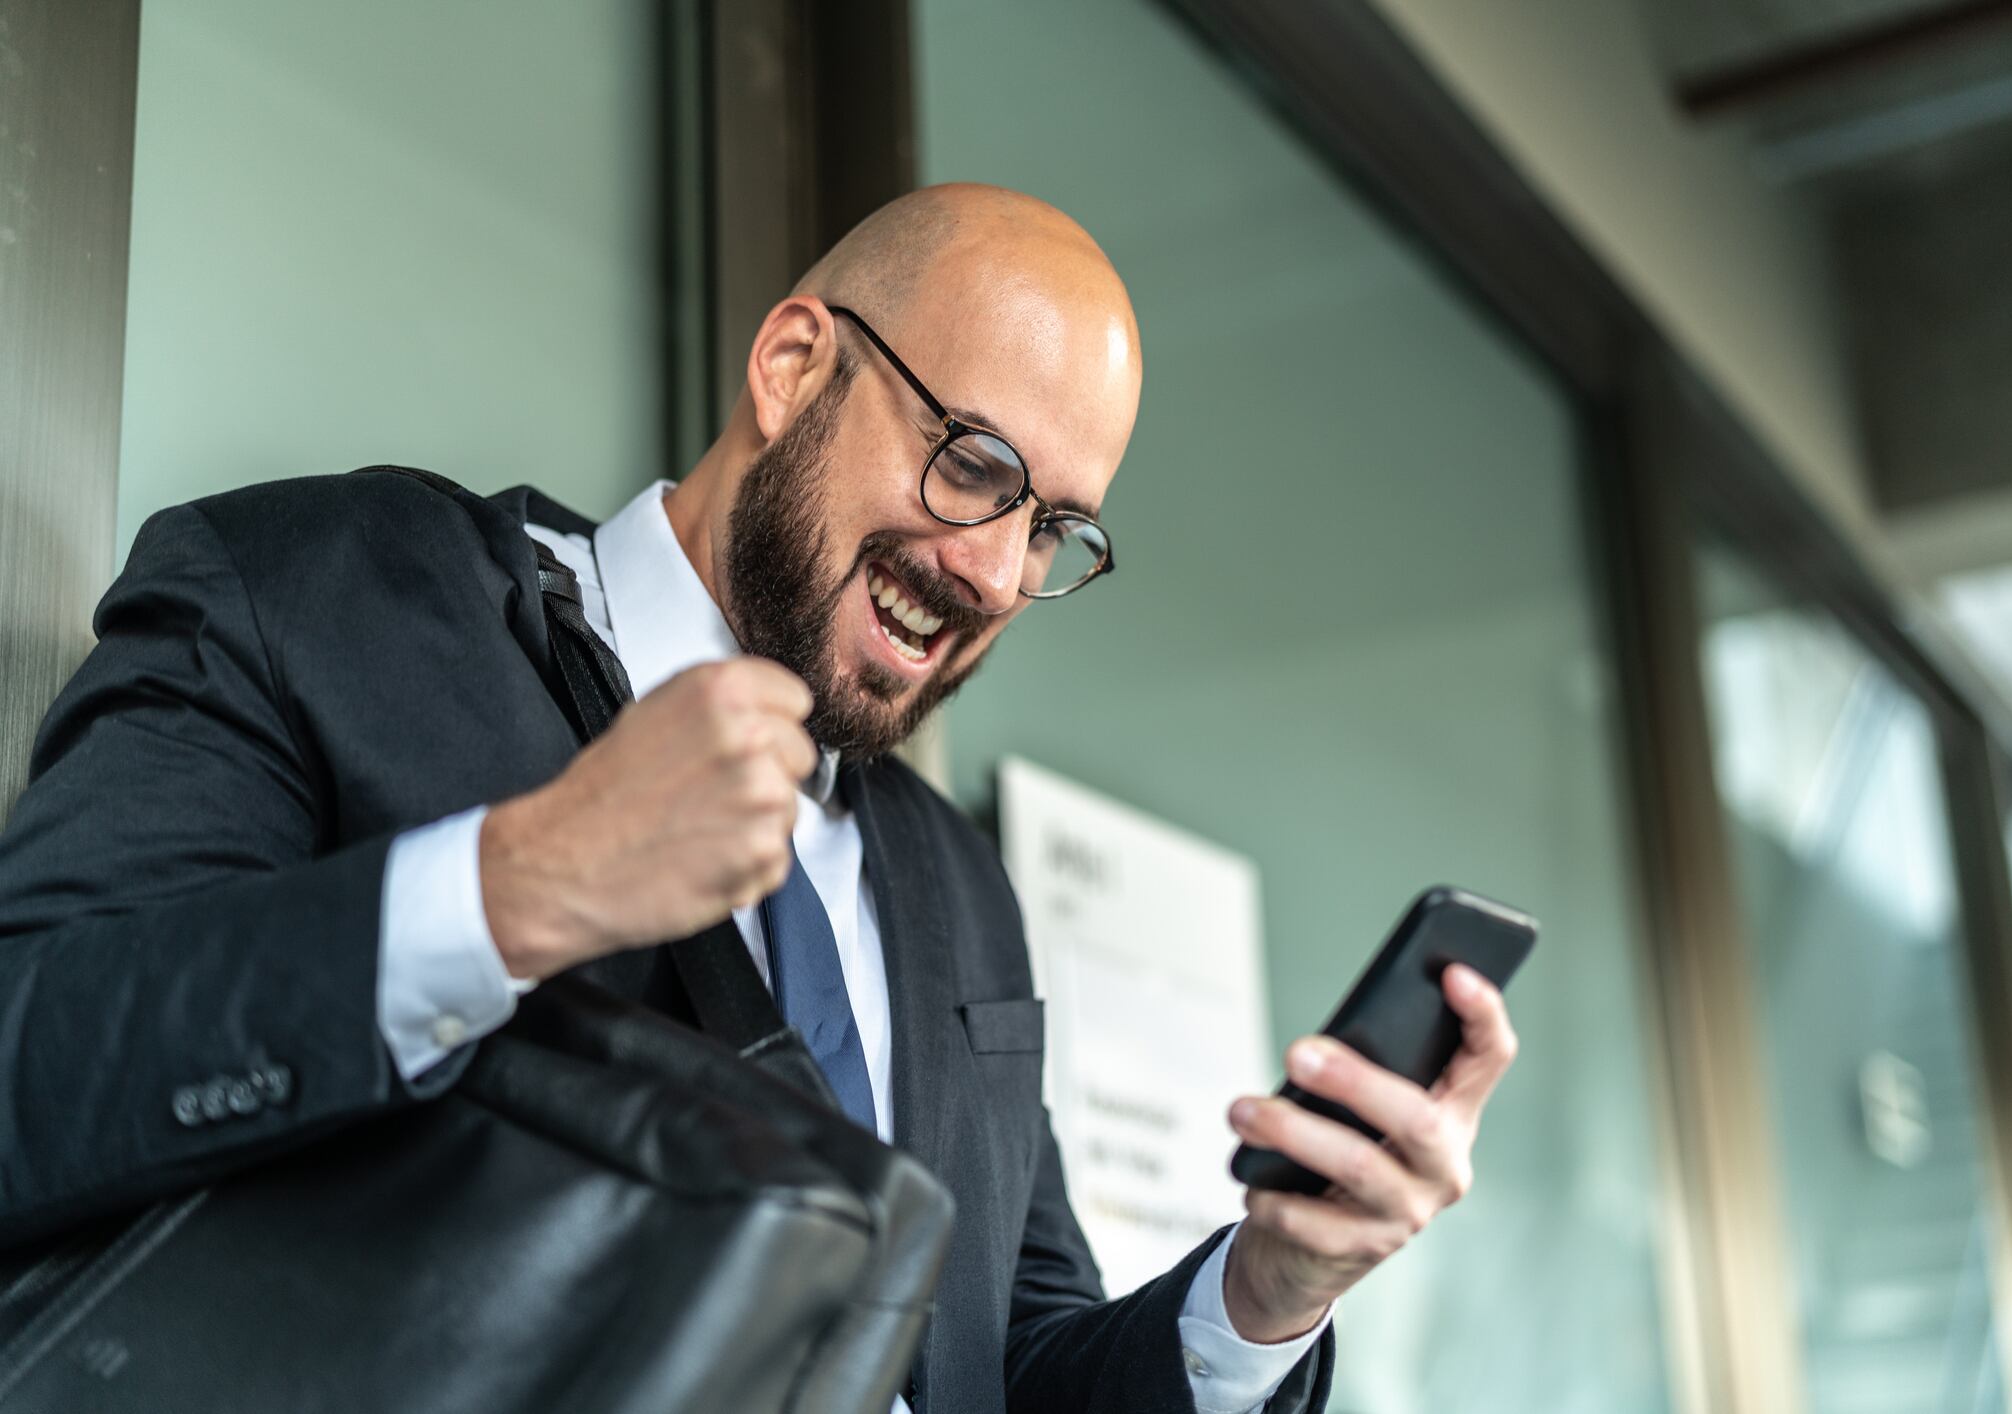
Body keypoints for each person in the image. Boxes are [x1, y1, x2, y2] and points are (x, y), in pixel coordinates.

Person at [0, 183, 1518, 1413]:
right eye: (974, 462)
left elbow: (997, 1366)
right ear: (794, 367)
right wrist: (510, 890)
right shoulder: (323, 594)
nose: (995, 569)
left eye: (1054, 526)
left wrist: (1266, 1296)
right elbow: (27, 1056)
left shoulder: (956, 891)